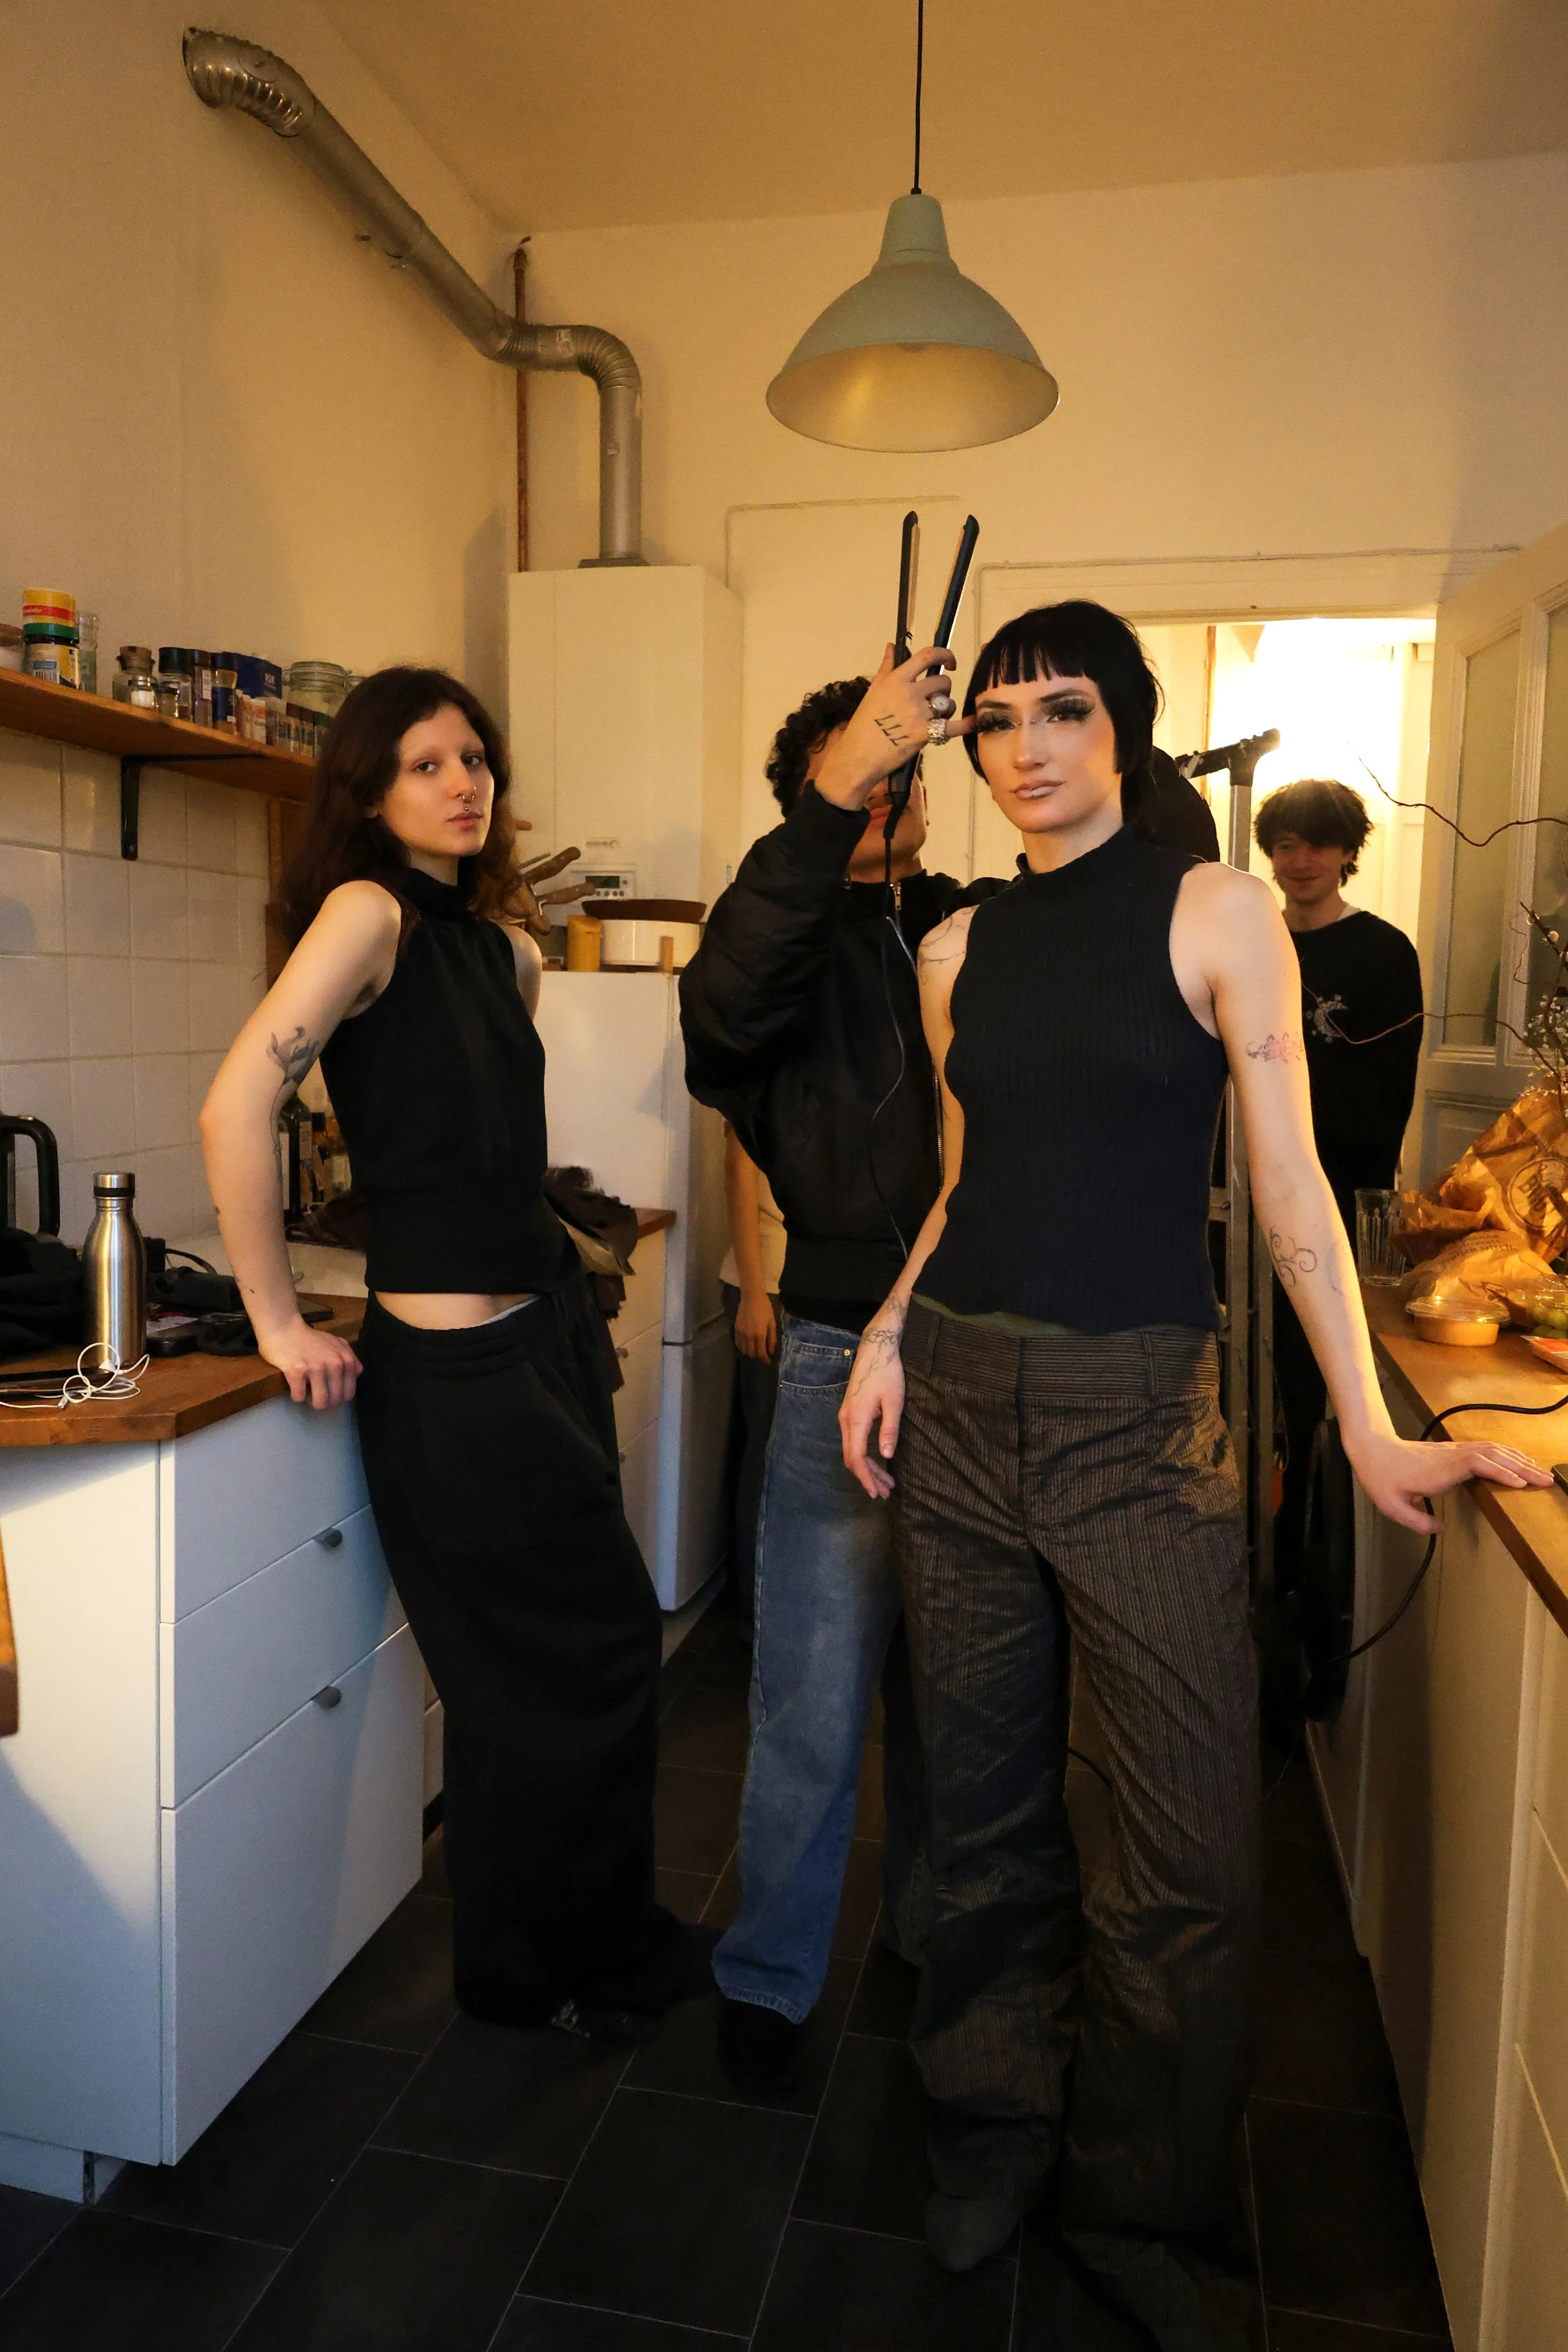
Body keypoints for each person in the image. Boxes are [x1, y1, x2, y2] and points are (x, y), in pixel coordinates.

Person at [834, 602, 1548, 2333]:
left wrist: (1368, 1418)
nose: (1025, 746)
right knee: (986, 1812)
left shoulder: (1217, 908)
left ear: (1127, 729)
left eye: (1064, 709)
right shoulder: (956, 951)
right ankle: (994, 2126)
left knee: (1187, 1846)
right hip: (961, 1406)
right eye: (994, 718)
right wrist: (881, 1333)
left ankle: (1135, 2198)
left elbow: (1290, 1186)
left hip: (1145, 1418)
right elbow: (964, 1177)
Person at [200, 666, 712, 2045]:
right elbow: (238, 1098)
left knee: (525, 1675)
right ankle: (593, 1949)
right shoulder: (364, 915)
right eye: (425, 763)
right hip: (459, 1381)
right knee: (593, 1650)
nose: (463, 781)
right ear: (369, 792)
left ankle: (516, 1966)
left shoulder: (507, 950)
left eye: (474, 756)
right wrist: (273, 1319)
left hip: (539, 1341)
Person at [679, 667, 993, 2095]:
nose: (887, 790)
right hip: (829, 1342)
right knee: (811, 1685)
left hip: (992, 1352)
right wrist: (830, 795)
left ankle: (940, 1940)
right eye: (852, 774)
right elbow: (721, 1008)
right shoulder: (774, 953)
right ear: (804, 798)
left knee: (965, 1689)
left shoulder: (973, 922)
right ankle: (768, 1969)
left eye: (900, 771)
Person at [1253, 780, 1425, 1579]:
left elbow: (1383, 1104)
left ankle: (1293, 1573)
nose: (1301, 861)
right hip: (1241, 1204)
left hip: (1337, 1205)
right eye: (1285, 844)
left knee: (1310, 1390)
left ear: (1349, 851)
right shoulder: (1253, 942)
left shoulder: (1384, 953)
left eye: (1318, 844)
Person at [719, 1122, 785, 1637]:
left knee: (784, 1457)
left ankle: (776, 1609)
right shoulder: (760, 1056)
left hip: (801, 1285)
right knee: (767, 1455)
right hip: (769, 1289)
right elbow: (738, 1172)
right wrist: (754, 1292)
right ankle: (755, 1619)